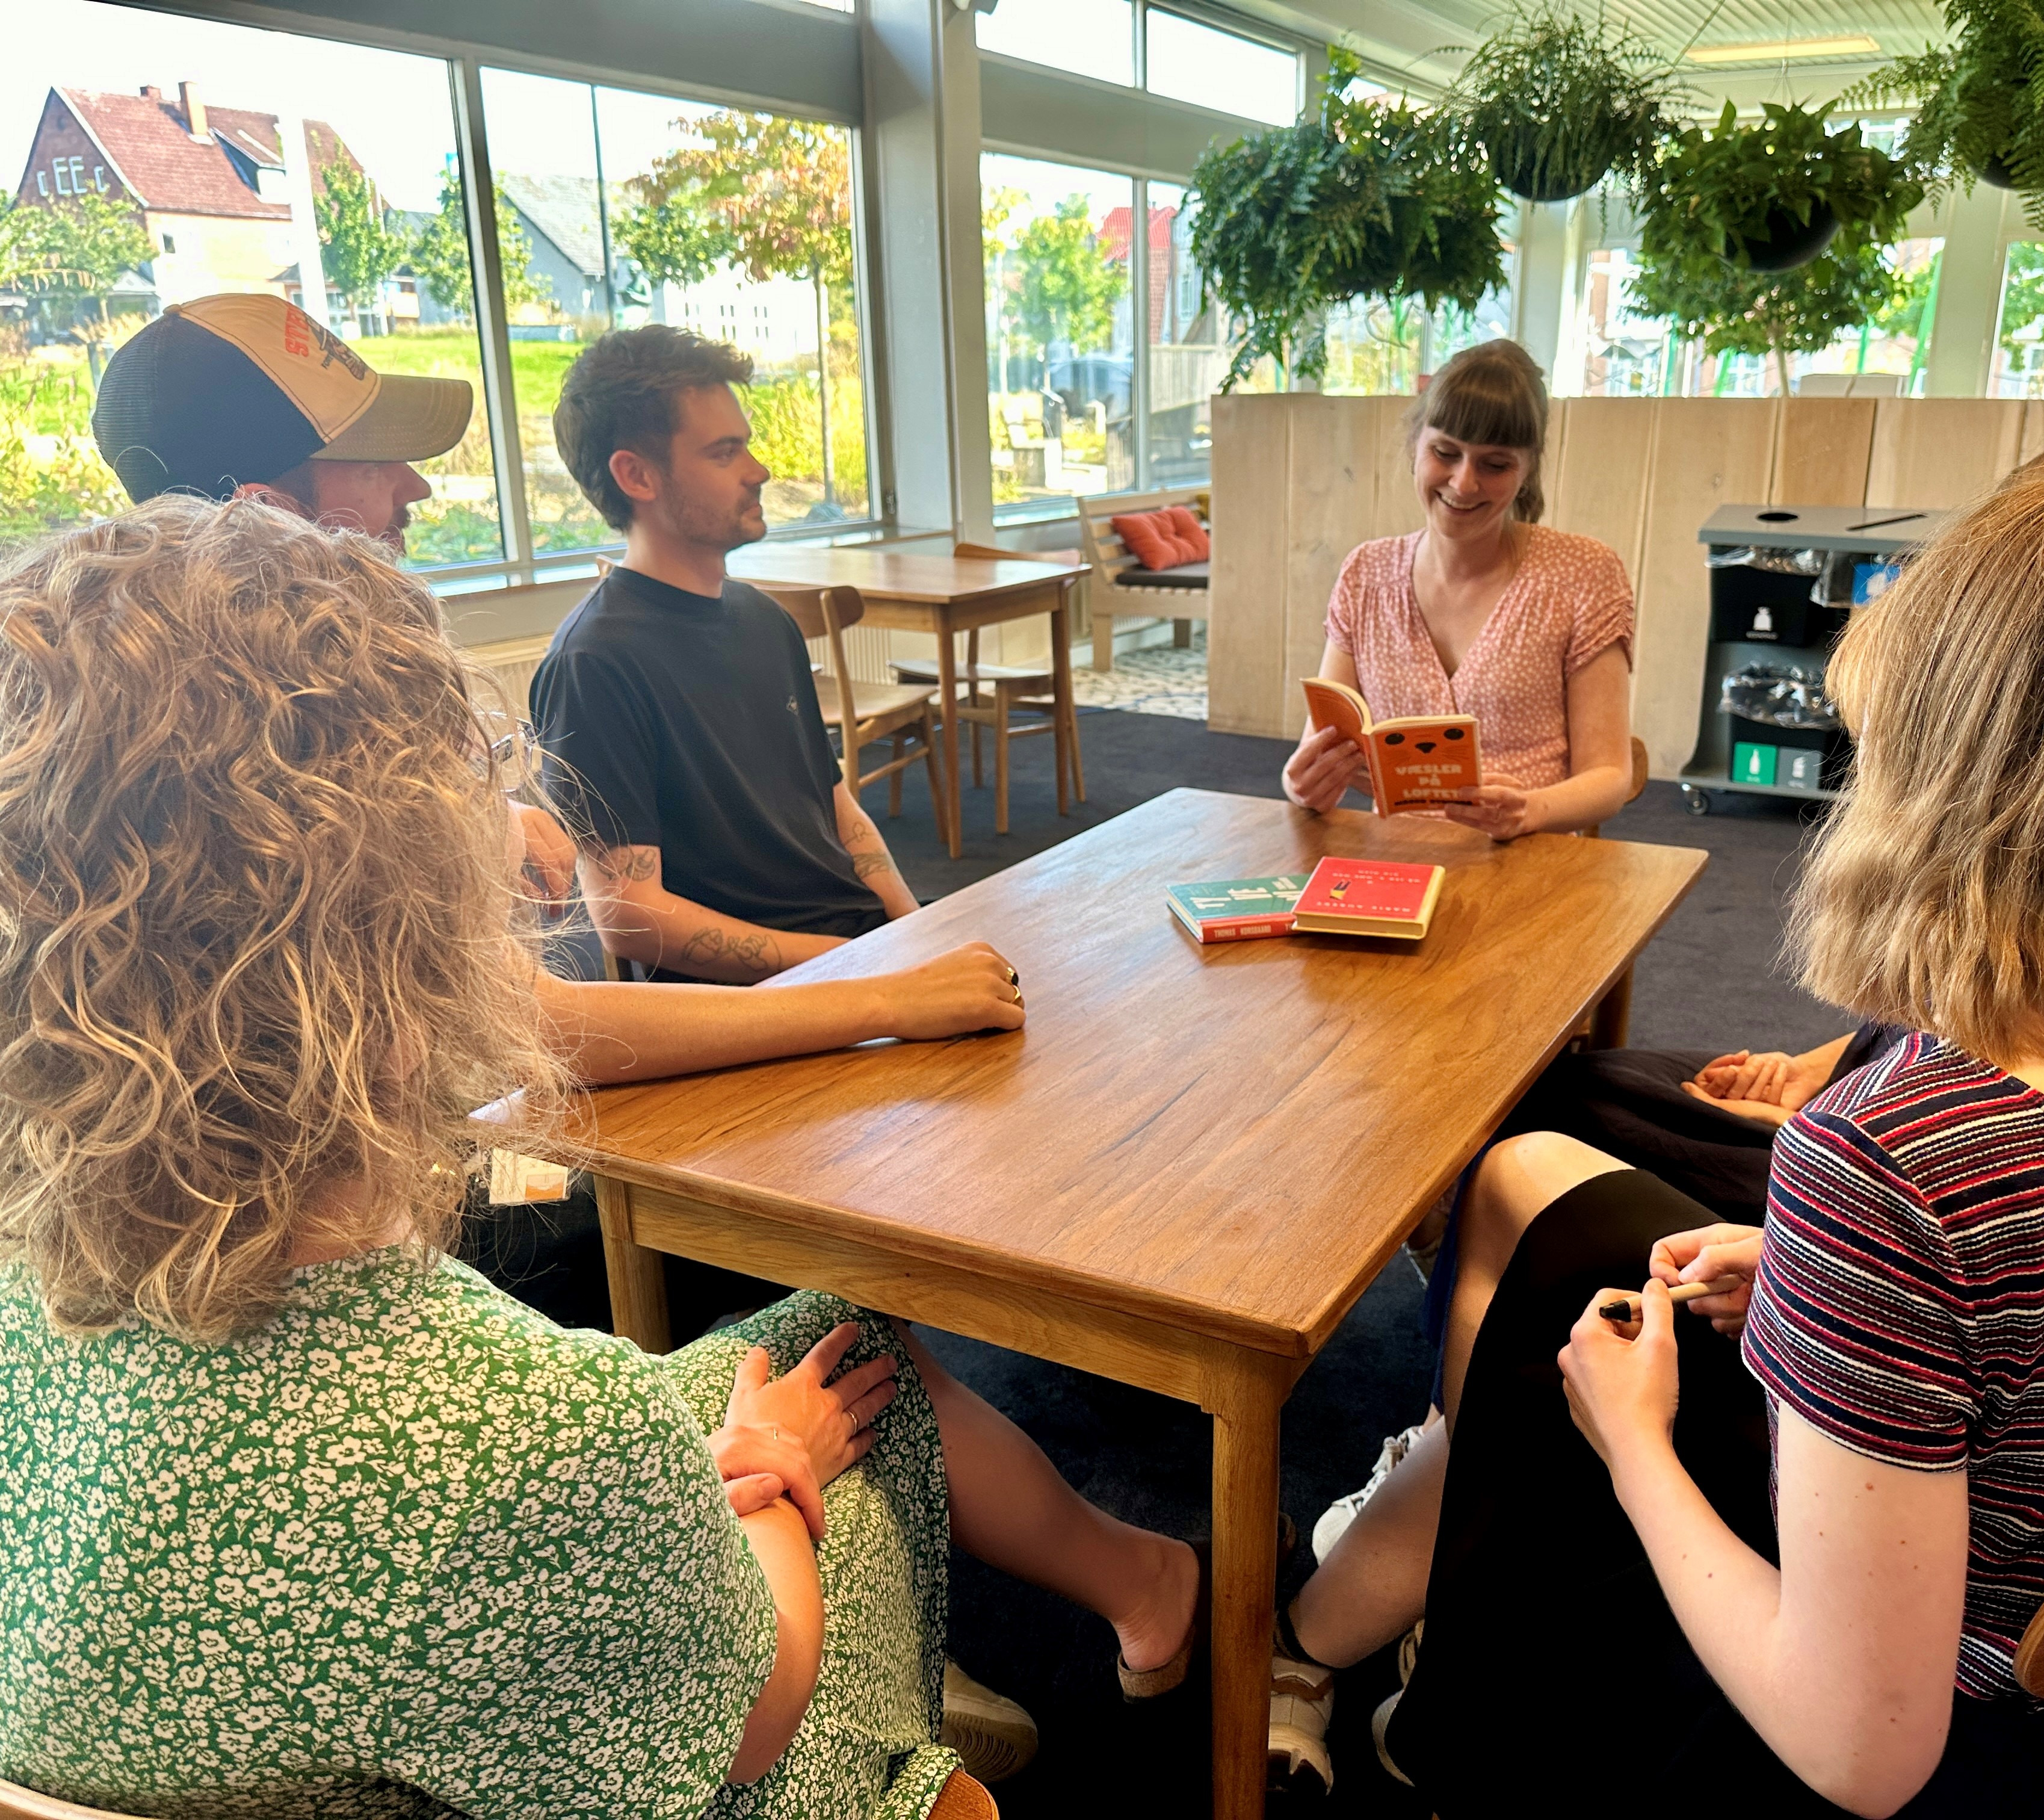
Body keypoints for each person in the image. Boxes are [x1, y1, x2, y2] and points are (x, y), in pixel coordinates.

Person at [0, 500, 1213, 1816]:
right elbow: (750, 1715)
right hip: (696, 1742)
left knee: (822, 1337)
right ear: (413, 963)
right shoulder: (549, 1429)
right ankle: (903, 1738)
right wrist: (771, 1474)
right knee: (829, 1393)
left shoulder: (30, 1297)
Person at [1379, 465, 2044, 1816]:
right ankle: (1383, 1640)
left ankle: (1392, 1677)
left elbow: (1862, 1753)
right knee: (1580, 1228)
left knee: (1575, 1365)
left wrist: (1638, 1452)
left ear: (1950, 770)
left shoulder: (1900, 1157)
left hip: (1959, 1726)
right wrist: (1815, 1281)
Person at [88, 293, 1020, 1084]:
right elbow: (538, 1024)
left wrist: (488, 818)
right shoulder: (259, 755)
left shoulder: (153, 699)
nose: (416, 488)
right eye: (377, 461)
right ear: (267, 515)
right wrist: (882, 990)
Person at [532, 325, 927, 985]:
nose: (759, 471)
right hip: (762, 1006)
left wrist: (916, 931)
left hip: (860, 956)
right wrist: (860, 969)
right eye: (724, 453)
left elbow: (834, 807)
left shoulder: (763, 619)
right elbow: (628, 915)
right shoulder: (592, 665)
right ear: (636, 474)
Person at [1280, 338, 1637, 843]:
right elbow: (1319, 746)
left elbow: (1610, 778)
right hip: (1397, 863)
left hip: (1532, 863)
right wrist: (1301, 783)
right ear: (1415, 447)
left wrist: (1528, 811)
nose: (1464, 484)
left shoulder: (1582, 574)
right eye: (1445, 453)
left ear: (1527, 469)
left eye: (1495, 465)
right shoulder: (1367, 574)